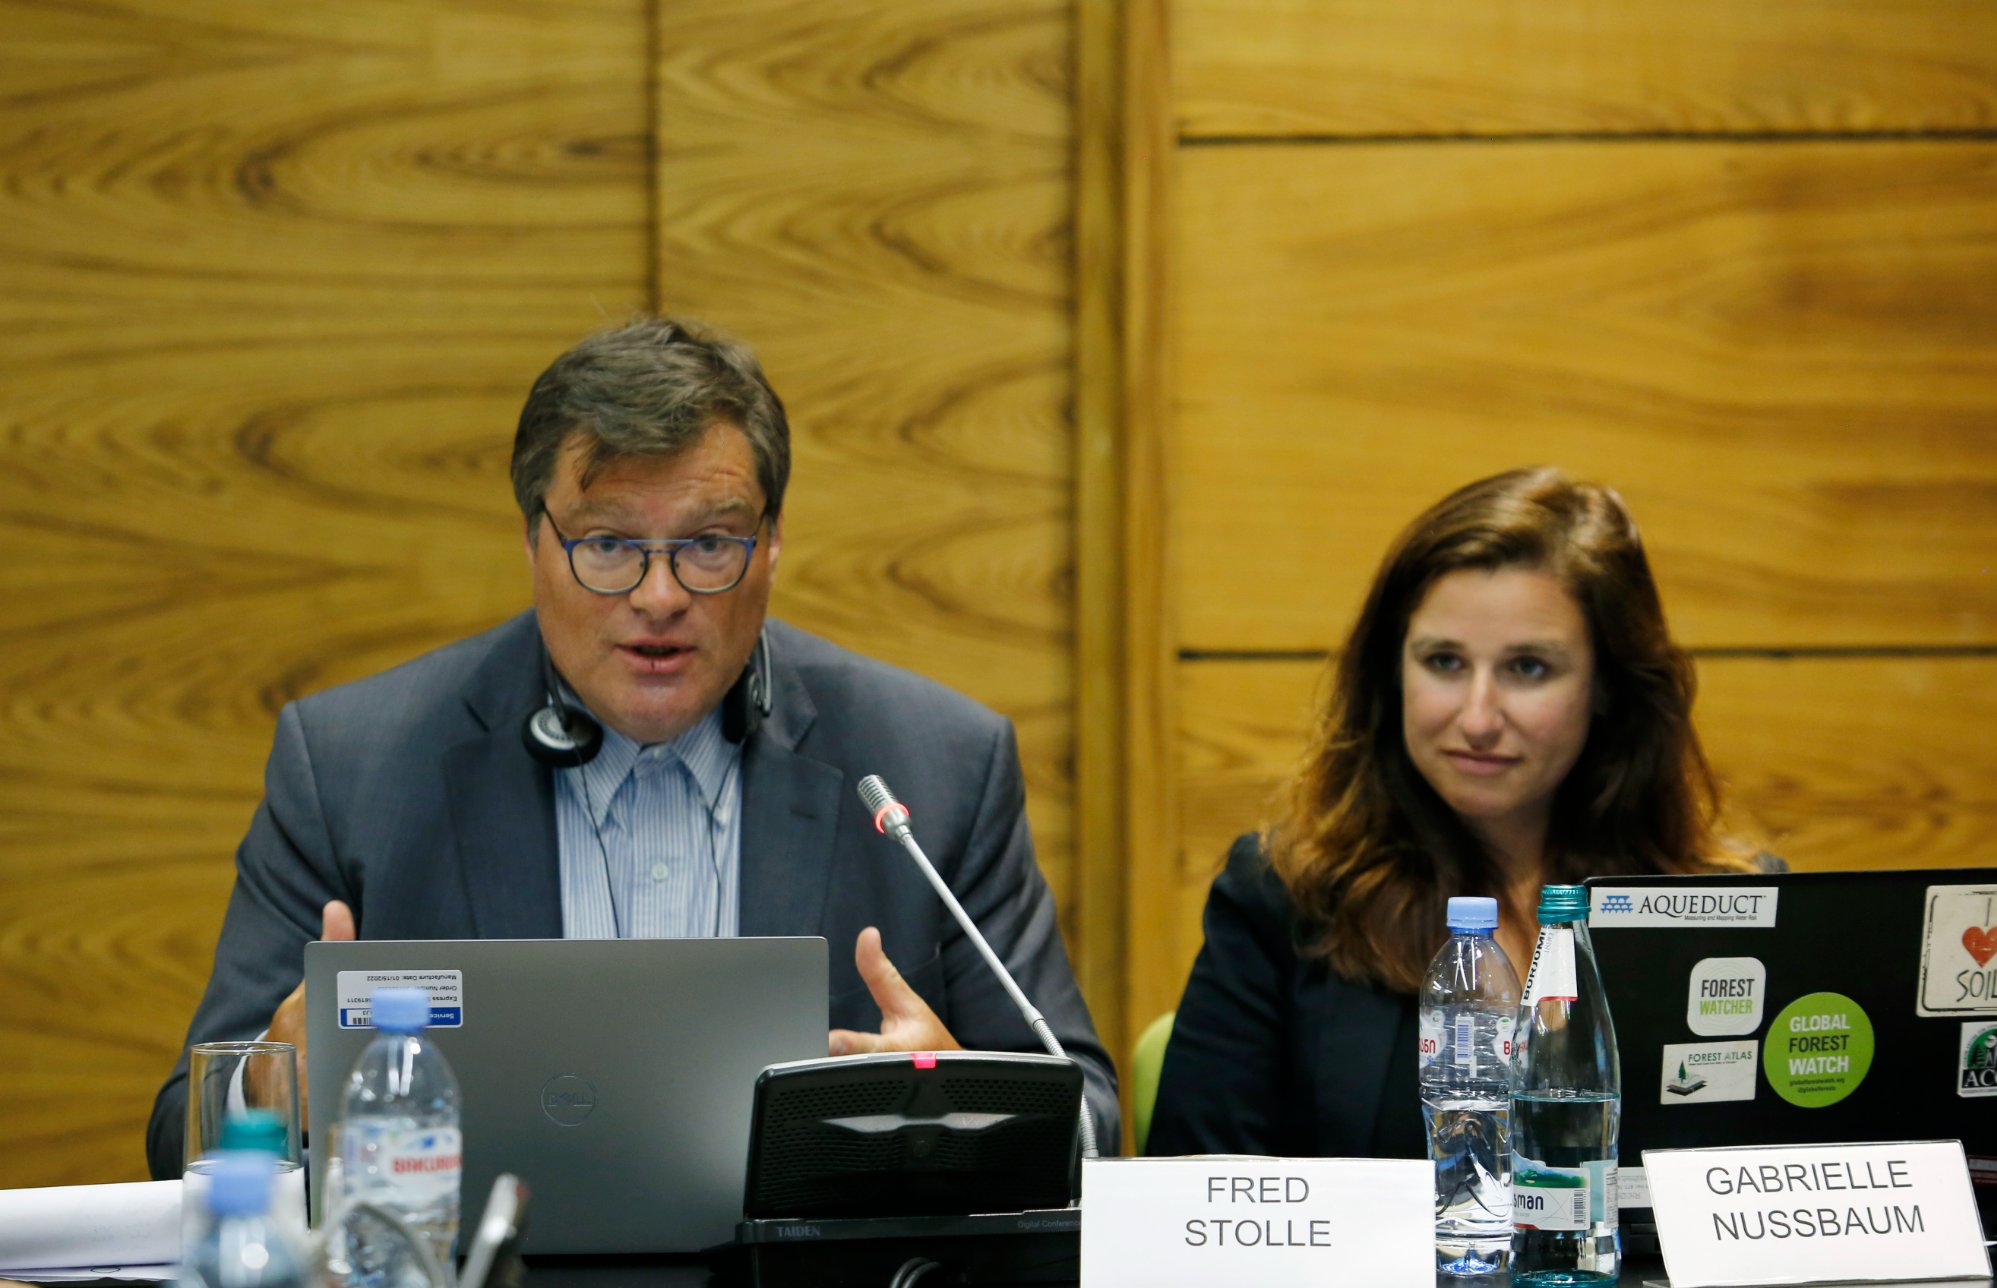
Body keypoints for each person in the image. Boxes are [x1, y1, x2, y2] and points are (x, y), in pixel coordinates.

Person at [146, 317, 1116, 1179]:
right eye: (608, 544)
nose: (659, 596)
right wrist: (272, 1086)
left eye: (710, 544)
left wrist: (960, 1105)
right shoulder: (351, 767)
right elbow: (178, 1133)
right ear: (533, 541)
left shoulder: (935, 765)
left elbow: (1092, 1121)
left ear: (773, 541)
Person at [1146, 466, 1764, 1157]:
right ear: (1392, 673)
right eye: (1443, 661)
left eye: (1528, 667)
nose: (1476, 718)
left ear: (1608, 688)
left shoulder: (1729, 910)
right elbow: (1192, 1194)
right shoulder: (1283, 898)